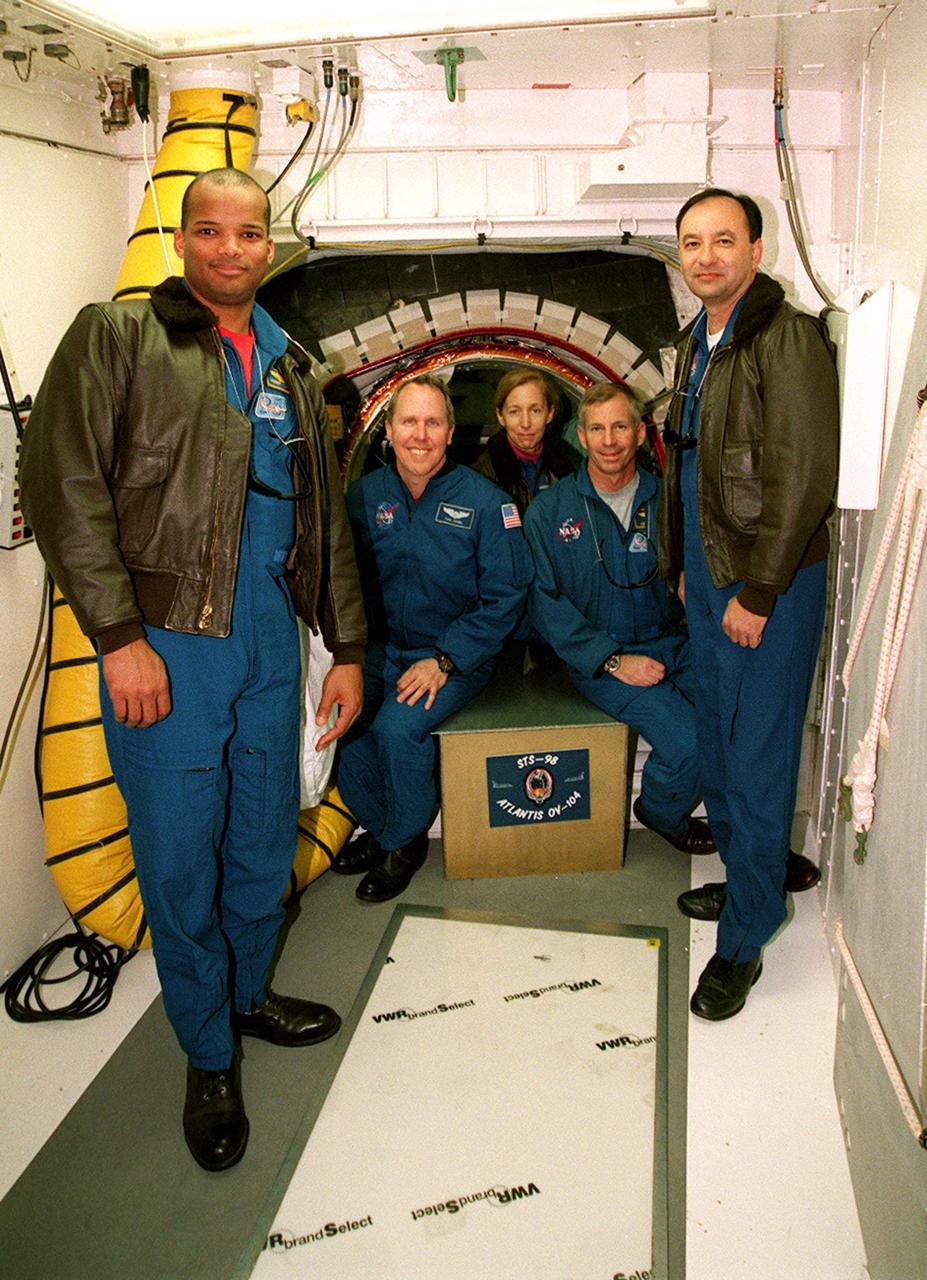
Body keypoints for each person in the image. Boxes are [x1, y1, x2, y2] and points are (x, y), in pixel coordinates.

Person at [20, 167, 366, 1170]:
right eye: (209, 230)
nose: (230, 248)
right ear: (183, 240)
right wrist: (119, 635)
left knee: (263, 840)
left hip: (268, 633)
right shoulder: (119, 337)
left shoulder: (297, 369)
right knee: (180, 859)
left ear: (271, 244)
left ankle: (247, 991)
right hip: (166, 636)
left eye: (248, 232)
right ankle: (207, 1052)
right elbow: (62, 485)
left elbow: (326, 521)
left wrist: (345, 649)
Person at [659, 188, 839, 1020]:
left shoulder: (783, 337)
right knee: (717, 740)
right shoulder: (697, 342)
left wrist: (758, 590)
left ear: (755, 251)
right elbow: (691, 464)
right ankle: (746, 885)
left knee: (757, 754)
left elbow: (801, 475)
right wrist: (689, 567)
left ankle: (746, 936)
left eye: (722, 240)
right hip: (713, 568)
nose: (706, 257)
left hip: (768, 581)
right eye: (692, 243)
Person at [333, 373, 534, 902]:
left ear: (450, 433)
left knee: (399, 730)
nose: (419, 435)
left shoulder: (487, 504)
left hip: (454, 655)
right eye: (408, 422)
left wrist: (445, 661)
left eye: (432, 422)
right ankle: (384, 830)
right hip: (379, 653)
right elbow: (339, 579)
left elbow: (506, 596)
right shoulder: (362, 497)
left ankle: (405, 842)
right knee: (343, 724)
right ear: (389, 432)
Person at [524, 381, 714, 857]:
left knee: (734, 716)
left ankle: (747, 834)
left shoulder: (670, 499)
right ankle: (661, 811)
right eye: (597, 429)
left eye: (620, 427)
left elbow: (702, 570)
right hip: (599, 653)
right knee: (688, 741)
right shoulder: (550, 511)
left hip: (673, 641)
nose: (609, 440)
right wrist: (611, 661)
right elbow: (545, 603)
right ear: (581, 437)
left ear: (639, 431)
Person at [472, 368, 575, 516]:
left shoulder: (568, 467)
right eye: (515, 412)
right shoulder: (481, 478)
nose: (525, 423)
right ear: (501, 416)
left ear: (550, 414)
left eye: (535, 411)